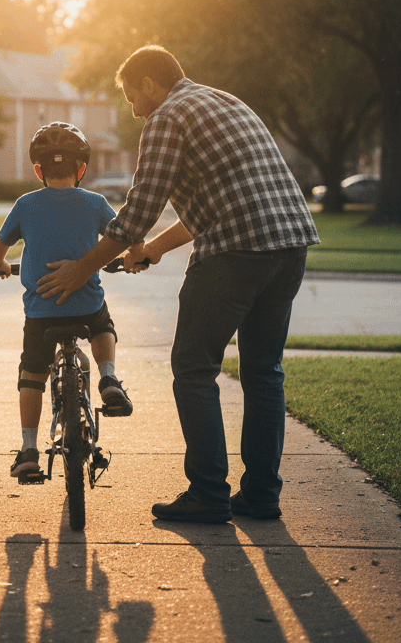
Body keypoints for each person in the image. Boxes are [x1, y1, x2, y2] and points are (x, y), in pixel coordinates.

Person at [37, 45, 319, 522]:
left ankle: (209, 494)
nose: (132, 107)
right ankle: (261, 495)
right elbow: (221, 202)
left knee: (193, 368)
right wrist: (153, 250)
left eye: (131, 95)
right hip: (288, 248)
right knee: (263, 373)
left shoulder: (167, 117)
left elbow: (141, 208)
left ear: (150, 83)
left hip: (235, 255)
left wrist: (81, 268)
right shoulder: (226, 103)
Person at [0, 122, 133, 480]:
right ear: (81, 168)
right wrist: (134, 258)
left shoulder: (25, 204)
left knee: (32, 375)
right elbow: (123, 238)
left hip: (41, 313)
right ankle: (109, 378)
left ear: (38, 170)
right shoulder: (96, 202)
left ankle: (28, 449)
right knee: (103, 323)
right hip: (85, 304)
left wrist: (1, 267)